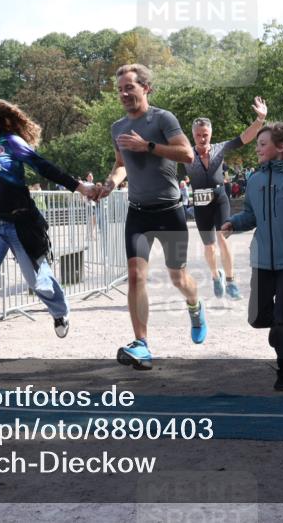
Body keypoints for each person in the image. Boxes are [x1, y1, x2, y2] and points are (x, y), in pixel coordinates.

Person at [0, 94, 98, 364]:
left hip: (22, 222)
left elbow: (45, 168)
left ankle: (59, 310)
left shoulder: (10, 143)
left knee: (37, 280)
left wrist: (80, 187)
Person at [95, 64, 203, 370]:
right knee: (135, 275)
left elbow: (188, 154)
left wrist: (149, 146)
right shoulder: (117, 127)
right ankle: (141, 344)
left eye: (129, 87)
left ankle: (194, 307)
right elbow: (121, 164)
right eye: (120, 89)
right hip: (138, 213)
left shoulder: (163, 118)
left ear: (146, 88)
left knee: (177, 276)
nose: (124, 94)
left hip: (170, 211)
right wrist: (110, 183)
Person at [220, 122, 283, 390]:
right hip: (261, 260)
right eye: (256, 145)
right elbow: (252, 215)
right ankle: (281, 334)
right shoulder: (254, 180)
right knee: (257, 318)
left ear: (281, 147)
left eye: (262, 144)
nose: (257, 149)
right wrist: (234, 223)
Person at [187, 97, 268, 300]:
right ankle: (216, 276)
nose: (202, 138)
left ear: (210, 133)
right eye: (198, 135)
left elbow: (244, 138)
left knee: (223, 237)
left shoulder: (219, 148)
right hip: (200, 203)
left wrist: (260, 120)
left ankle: (231, 281)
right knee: (209, 246)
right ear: (193, 135)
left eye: (205, 134)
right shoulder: (186, 153)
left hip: (220, 198)